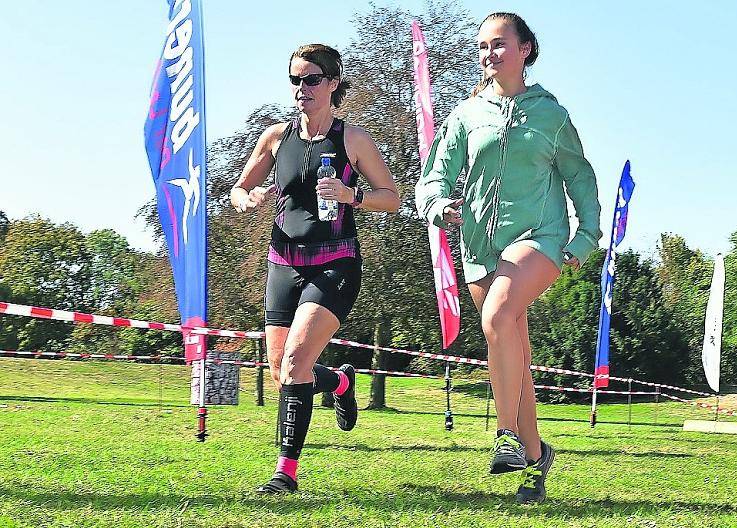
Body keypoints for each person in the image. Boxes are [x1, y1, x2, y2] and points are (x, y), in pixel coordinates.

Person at [415, 12, 601, 504]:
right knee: (511, 345)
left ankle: (506, 436)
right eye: (481, 47)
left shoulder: (551, 115)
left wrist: (586, 239)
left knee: (498, 315)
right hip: (480, 244)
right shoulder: (466, 115)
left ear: (525, 50)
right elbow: (434, 174)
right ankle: (537, 458)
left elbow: (580, 177)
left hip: (541, 236)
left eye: (498, 45)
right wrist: (437, 205)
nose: (487, 54)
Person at [230, 43, 400, 493]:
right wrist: (248, 198)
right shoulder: (274, 136)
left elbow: (392, 196)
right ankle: (341, 382)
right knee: (283, 371)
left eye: (310, 80)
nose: (300, 89)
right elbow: (240, 187)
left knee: (296, 361)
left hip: (336, 262)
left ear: (332, 83)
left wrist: (352, 197)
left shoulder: (352, 140)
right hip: (283, 262)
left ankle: (285, 471)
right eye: (294, 80)